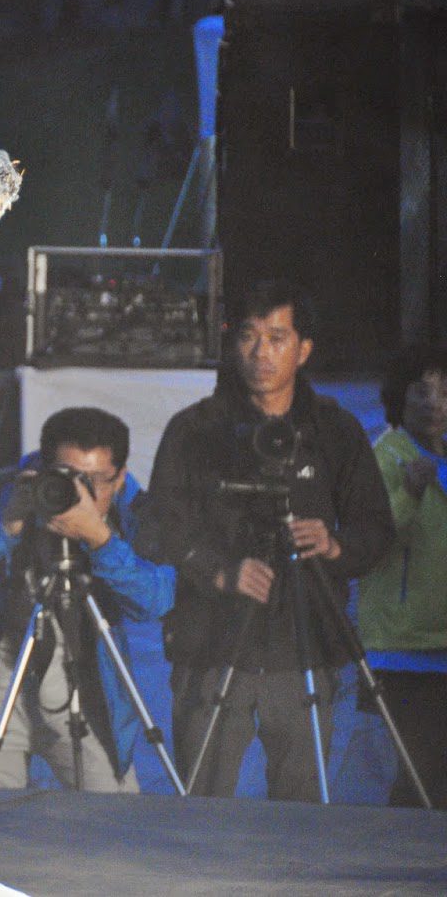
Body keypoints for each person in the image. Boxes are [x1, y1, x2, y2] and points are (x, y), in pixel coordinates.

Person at [143, 281, 395, 801]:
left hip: (303, 647)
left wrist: (333, 546)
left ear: (303, 349)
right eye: (249, 337)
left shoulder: (336, 432)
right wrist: (218, 570)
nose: (261, 353)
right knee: (203, 809)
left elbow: (377, 531)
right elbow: (156, 525)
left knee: (300, 815)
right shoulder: (195, 429)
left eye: (278, 338)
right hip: (211, 644)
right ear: (231, 343)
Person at [0, 407, 174, 792]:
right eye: (68, 477)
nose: (78, 494)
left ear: (120, 478)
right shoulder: (6, 491)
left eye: (94, 481)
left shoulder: (134, 511)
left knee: (110, 818)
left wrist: (101, 541)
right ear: (43, 466)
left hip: (85, 688)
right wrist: (4, 527)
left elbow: (154, 600)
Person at [358, 344, 447, 808]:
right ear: (399, 396)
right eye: (421, 389)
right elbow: (367, 540)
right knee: (419, 778)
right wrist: (410, 493)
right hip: (403, 650)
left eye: (443, 390)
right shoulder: (383, 453)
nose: (434, 401)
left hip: (444, 646)